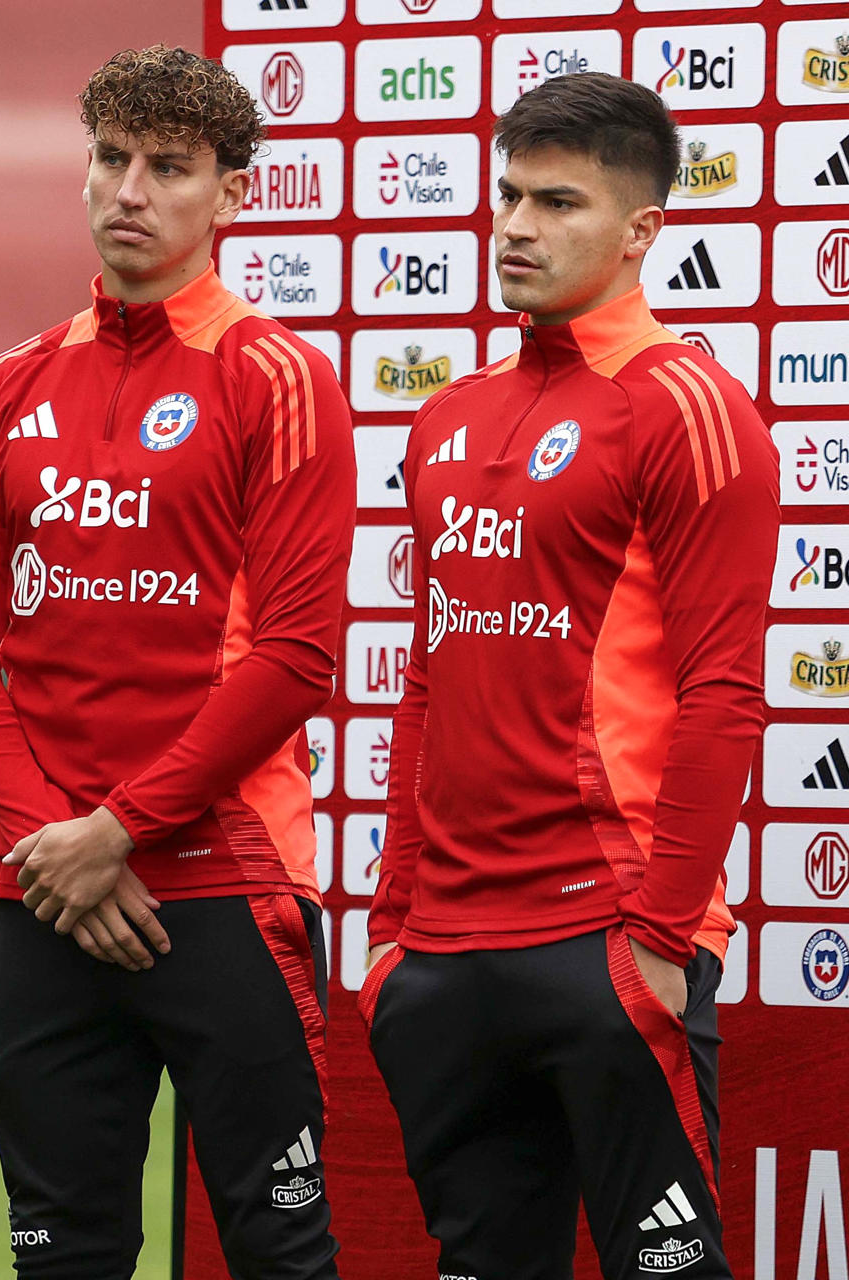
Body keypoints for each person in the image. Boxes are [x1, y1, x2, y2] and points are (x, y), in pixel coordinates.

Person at [0, 45, 354, 1279]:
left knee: (281, 1251)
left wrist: (119, 828)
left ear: (231, 197)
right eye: (112, 158)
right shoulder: (8, 388)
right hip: (44, 889)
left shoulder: (280, 378)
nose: (130, 189)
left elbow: (294, 657)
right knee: (62, 1258)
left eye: (169, 167)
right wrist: (46, 837)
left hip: (223, 881)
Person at [362, 72, 777, 1280]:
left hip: (605, 933)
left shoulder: (685, 405)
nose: (516, 226)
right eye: (506, 195)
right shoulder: (446, 417)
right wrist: (395, 924)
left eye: (558, 201)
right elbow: (428, 681)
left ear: (643, 228)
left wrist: (655, 935)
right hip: (443, 947)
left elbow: (723, 692)